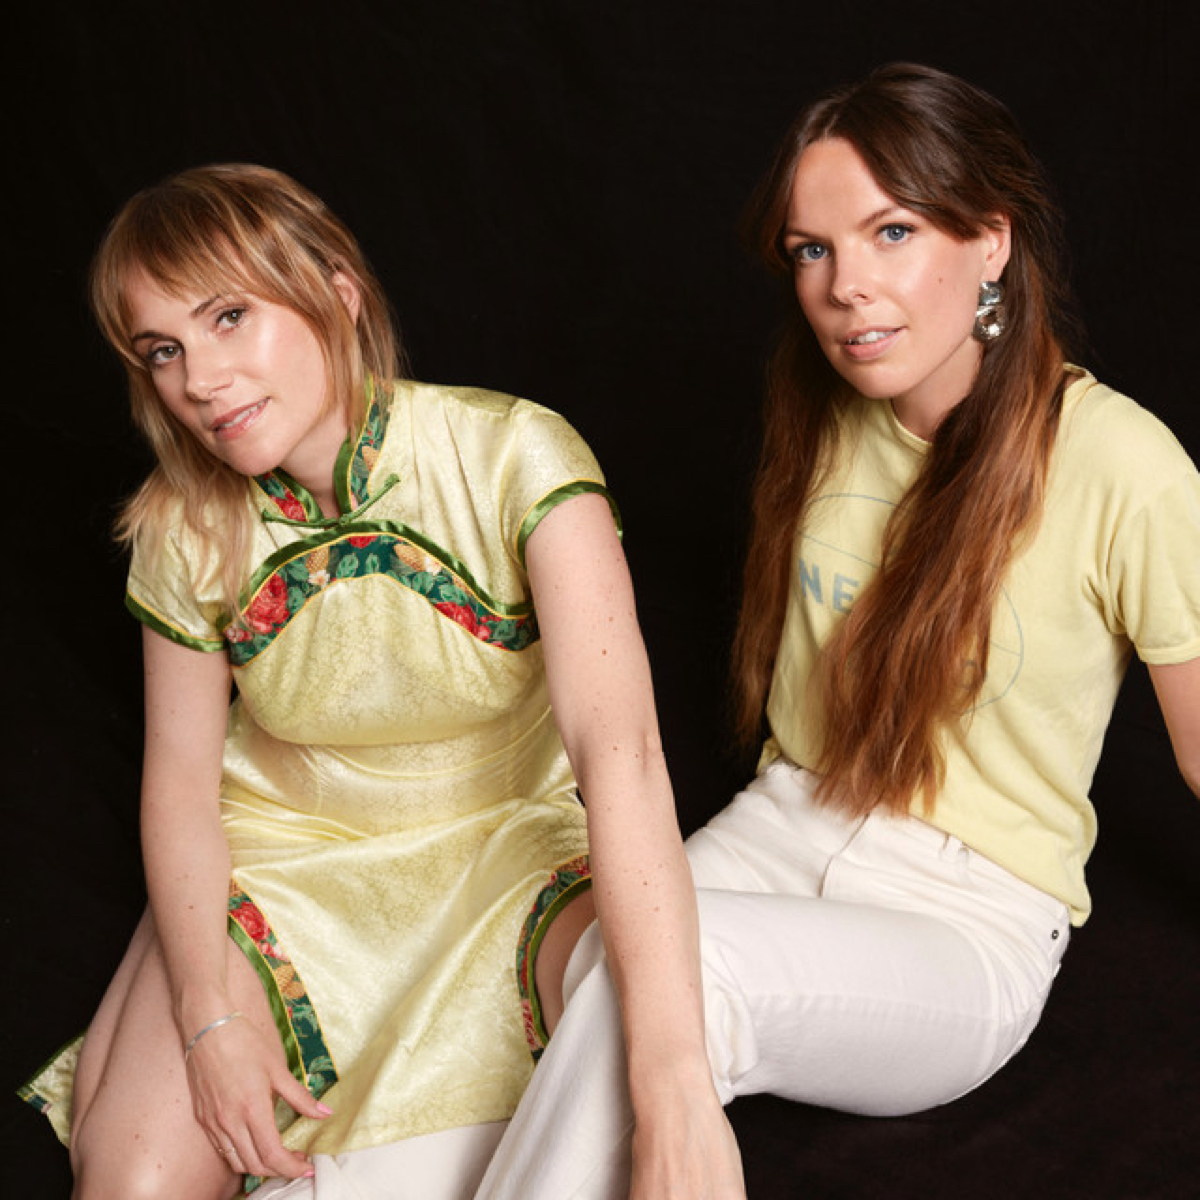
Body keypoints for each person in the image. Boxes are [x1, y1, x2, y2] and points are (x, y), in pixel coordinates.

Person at [472, 62, 1200, 1200]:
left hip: (969, 911)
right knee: (569, 971)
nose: (845, 287)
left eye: (892, 232)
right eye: (812, 250)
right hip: (787, 819)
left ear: (992, 241)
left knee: (670, 977)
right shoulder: (825, 410)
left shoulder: (1125, 466)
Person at [19, 163, 711, 1200]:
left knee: (622, 1074)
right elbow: (180, 787)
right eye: (163, 349)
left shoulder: (513, 453)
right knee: (128, 1184)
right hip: (284, 874)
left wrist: (678, 1091)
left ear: (336, 294)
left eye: (229, 317)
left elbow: (624, 759)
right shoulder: (181, 524)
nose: (199, 380)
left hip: (509, 855)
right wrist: (208, 1014)